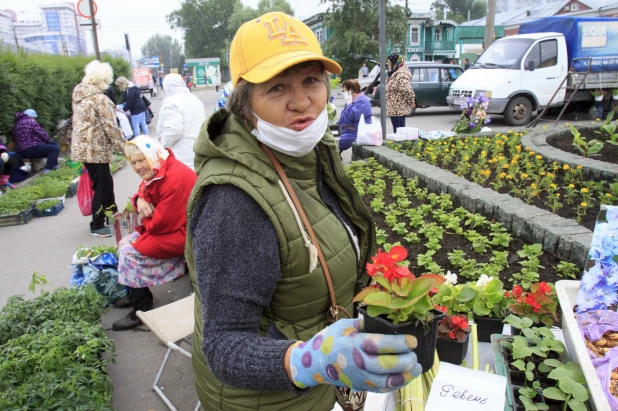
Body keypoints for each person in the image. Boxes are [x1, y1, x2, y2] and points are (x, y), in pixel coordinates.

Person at [186, 12, 422, 410]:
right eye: (277, 87)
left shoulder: (310, 151)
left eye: (311, 80)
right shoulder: (234, 200)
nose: (301, 102)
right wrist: (311, 362)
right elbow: (224, 347)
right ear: (245, 102)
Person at [111, 135, 197, 330]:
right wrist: (138, 201)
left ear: (152, 155)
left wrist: (142, 206)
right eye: (133, 162)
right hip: (173, 227)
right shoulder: (160, 167)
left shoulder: (174, 177)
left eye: (141, 160)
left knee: (130, 253)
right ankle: (135, 295)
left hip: (188, 233)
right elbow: (143, 191)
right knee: (124, 244)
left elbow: (159, 224)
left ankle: (142, 307)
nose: (138, 166)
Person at [72, 60, 126, 237]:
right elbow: (111, 127)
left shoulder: (80, 96)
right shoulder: (100, 99)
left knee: (105, 182)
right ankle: (97, 224)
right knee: (102, 185)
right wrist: (126, 148)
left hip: (84, 148)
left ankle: (112, 214)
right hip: (96, 149)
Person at [157, 73, 206, 170]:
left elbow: (173, 131)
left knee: (183, 182)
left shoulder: (172, 101)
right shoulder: (194, 99)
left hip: (181, 154)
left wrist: (162, 145)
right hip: (198, 150)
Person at [336, 79, 372, 153]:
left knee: (332, 145)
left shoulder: (363, 101)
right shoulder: (352, 101)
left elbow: (353, 116)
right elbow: (343, 117)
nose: (344, 93)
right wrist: (334, 126)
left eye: (345, 91)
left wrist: (349, 103)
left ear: (351, 91)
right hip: (347, 131)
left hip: (356, 132)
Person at [385, 53, 415, 133]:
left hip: (398, 109)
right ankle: (399, 144)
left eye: (389, 62)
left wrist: (411, 100)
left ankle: (401, 145)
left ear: (394, 62)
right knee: (397, 131)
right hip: (395, 109)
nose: (388, 64)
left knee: (399, 132)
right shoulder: (395, 72)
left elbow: (407, 89)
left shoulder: (401, 74)